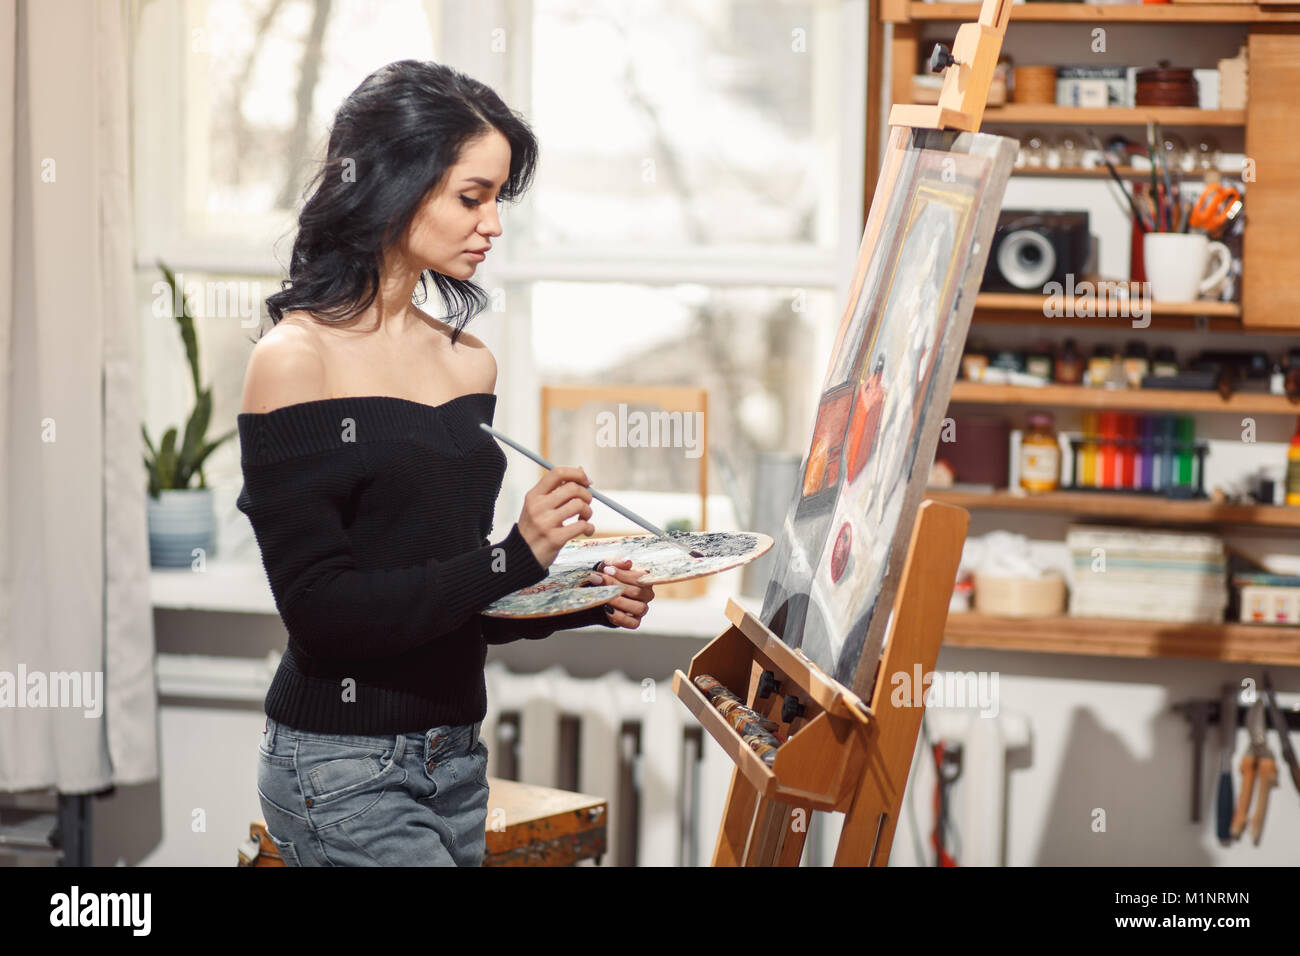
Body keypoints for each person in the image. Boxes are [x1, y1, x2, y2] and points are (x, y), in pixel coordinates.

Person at [237, 59, 655, 866]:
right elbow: (326, 614)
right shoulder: (295, 361)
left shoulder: (469, 367)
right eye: (472, 197)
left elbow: (441, 594)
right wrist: (514, 554)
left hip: (457, 760)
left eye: (498, 198)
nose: (492, 224)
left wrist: (574, 601)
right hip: (341, 768)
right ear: (394, 182)